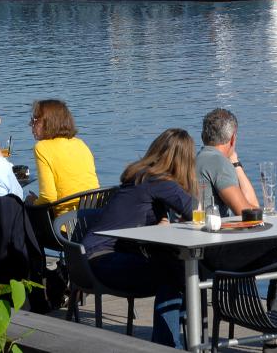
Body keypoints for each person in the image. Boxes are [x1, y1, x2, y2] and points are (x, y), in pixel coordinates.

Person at [81, 129, 197, 349]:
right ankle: (168, 345)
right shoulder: (158, 181)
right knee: (175, 274)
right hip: (103, 259)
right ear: (183, 160)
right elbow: (197, 210)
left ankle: (172, 341)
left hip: (94, 256)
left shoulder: (141, 177)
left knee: (177, 270)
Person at [196, 108, 277, 333]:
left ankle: (273, 324)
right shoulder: (217, 163)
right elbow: (250, 212)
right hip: (214, 254)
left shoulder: (197, 158)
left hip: (196, 250)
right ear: (233, 138)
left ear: (203, 136)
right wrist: (235, 164)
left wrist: (235, 163)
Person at [27, 100, 99, 216]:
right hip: (93, 215)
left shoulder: (42, 148)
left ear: (48, 122)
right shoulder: (80, 144)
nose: (30, 124)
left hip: (65, 221)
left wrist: (32, 202)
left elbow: (48, 197)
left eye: (35, 120)